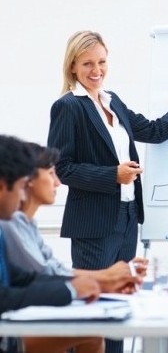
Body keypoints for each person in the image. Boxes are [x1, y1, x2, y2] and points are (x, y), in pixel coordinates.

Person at [47, 30, 168, 353]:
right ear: (73, 67)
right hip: (93, 224)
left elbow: (154, 130)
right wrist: (113, 175)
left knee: (122, 308)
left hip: (127, 217)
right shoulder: (68, 107)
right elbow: (62, 168)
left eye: (102, 62)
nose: (97, 70)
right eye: (88, 64)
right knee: (96, 312)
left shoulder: (112, 100)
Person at [0, 134, 104, 353]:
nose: (21, 197)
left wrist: (78, 284)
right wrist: (70, 290)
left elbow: (20, 276)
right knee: (89, 331)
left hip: (10, 331)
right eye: (21, 186)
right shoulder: (9, 224)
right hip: (8, 336)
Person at [0, 142, 148, 291]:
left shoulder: (27, 223)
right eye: (51, 173)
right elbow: (42, 276)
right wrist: (105, 279)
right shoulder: (9, 224)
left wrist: (109, 278)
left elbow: (53, 268)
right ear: (28, 179)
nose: (58, 183)